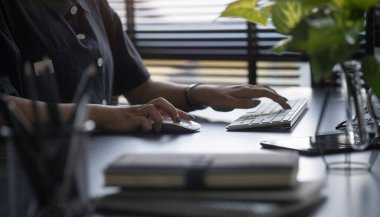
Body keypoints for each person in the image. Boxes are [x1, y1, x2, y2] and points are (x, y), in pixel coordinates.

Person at [0, 0, 290, 133]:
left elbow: (139, 87)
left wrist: (201, 93)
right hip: (39, 178)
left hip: (105, 158)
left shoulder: (96, 5)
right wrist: (107, 116)